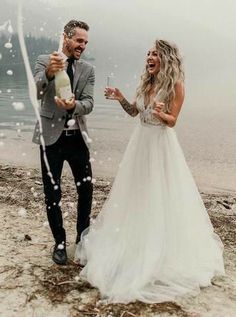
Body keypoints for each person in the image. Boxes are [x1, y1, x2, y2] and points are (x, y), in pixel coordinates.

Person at [75, 39, 225, 303]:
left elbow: (172, 122)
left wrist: (161, 114)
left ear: (165, 58)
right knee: (136, 194)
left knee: (160, 195)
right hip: (140, 144)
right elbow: (135, 112)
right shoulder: (147, 83)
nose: (149, 57)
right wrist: (121, 97)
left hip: (160, 146)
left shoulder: (176, 85)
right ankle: (133, 246)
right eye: (147, 53)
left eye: (154, 53)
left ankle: (160, 250)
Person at [32, 20, 95, 265]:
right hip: (51, 139)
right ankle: (59, 242)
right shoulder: (44, 59)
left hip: (78, 138)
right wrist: (48, 71)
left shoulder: (88, 69)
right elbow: (36, 91)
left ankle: (82, 240)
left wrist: (74, 106)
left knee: (86, 191)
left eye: (86, 42)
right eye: (79, 40)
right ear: (66, 38)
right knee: (52, 193)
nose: (83, 46)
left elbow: (89, 103)